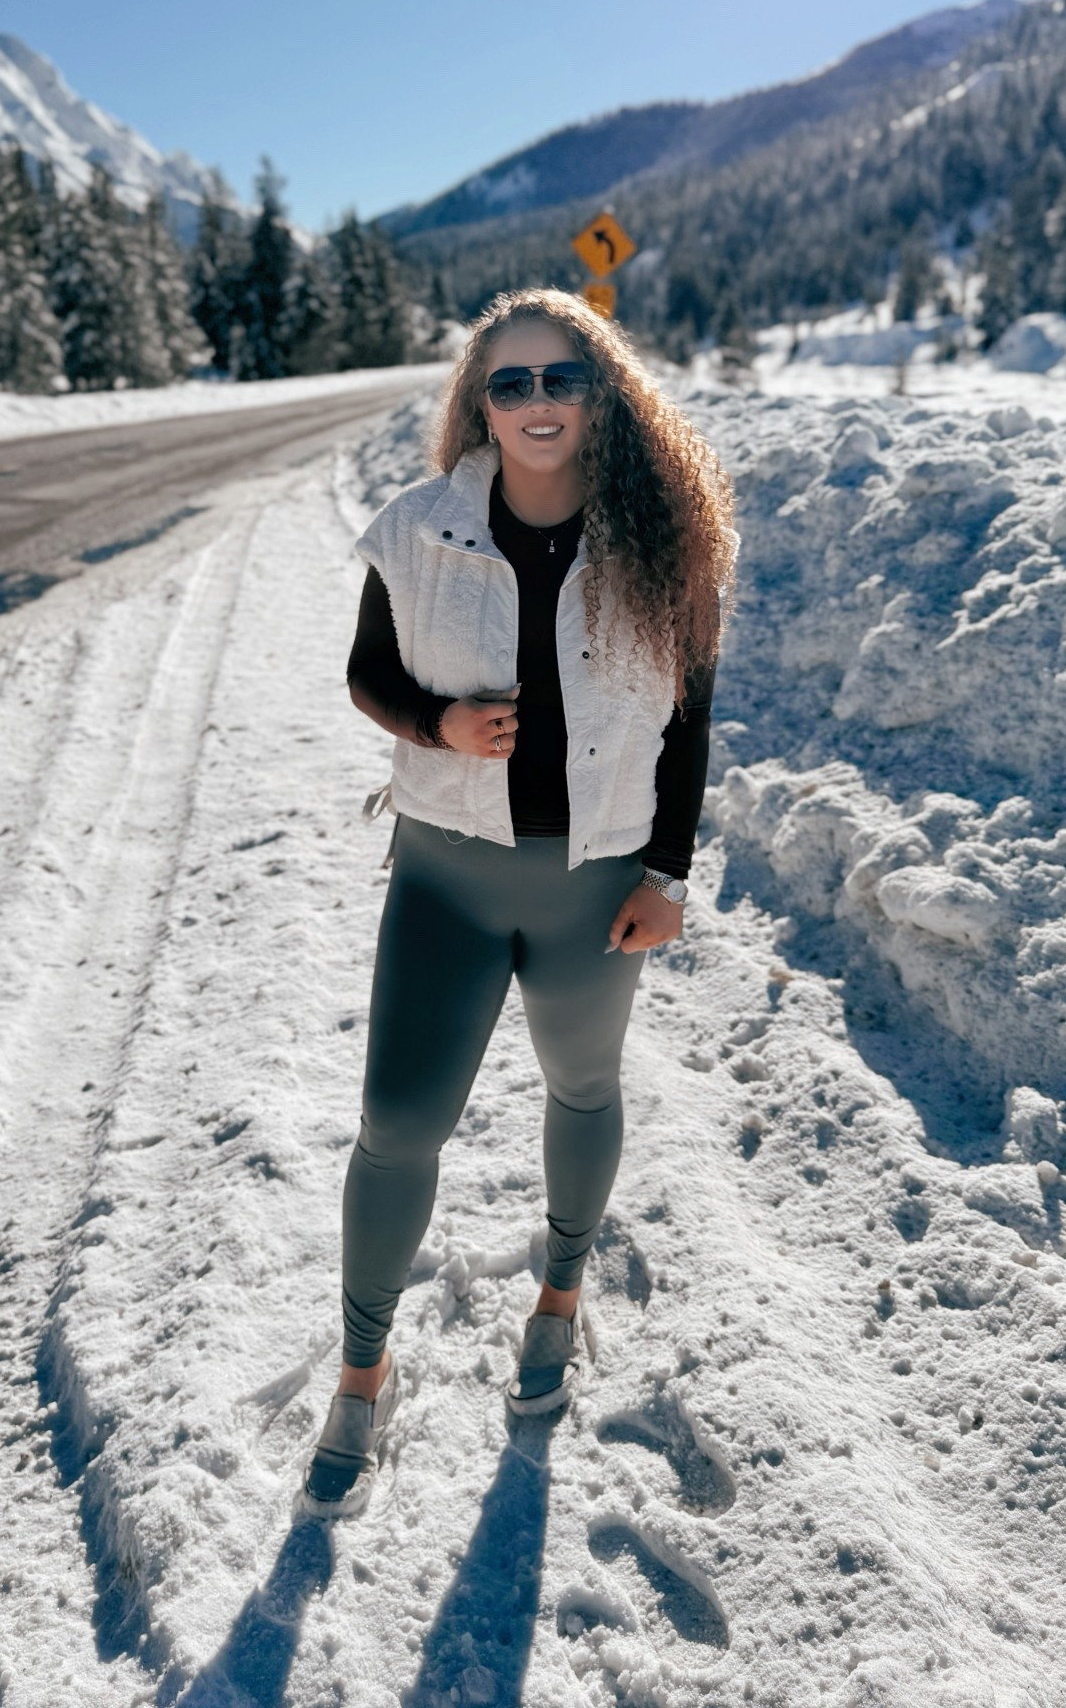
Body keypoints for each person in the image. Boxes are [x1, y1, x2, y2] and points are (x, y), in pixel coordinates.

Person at [299, 285, 738, 1518]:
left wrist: (666, 872)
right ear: (478, 402)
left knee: (582, 1085)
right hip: (446, 866)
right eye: (512, 381)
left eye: (563, 379)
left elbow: (690, 719)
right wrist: (434, 722)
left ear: (605, 395)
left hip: (594, 883)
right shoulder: (416, 528)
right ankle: (360, 1375)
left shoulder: (671, 538)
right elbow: (367, 673)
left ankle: (557, 1298)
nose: (537, 402)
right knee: (396, 1124)